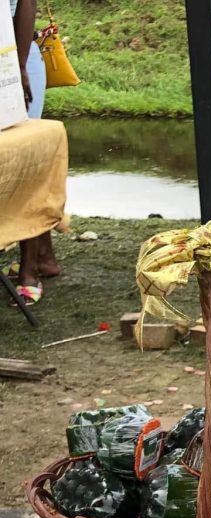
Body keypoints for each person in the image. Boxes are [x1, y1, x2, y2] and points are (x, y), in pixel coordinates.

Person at [9, 0, 62, 305]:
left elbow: (26, 5)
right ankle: (44, 255)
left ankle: (29, 271)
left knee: (27, 166)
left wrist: (16, 67)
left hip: (15, 66)